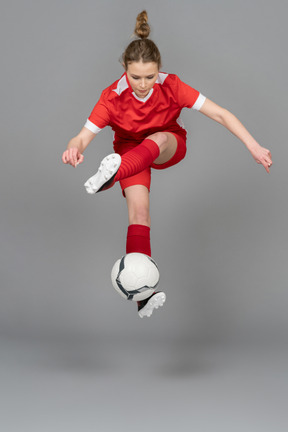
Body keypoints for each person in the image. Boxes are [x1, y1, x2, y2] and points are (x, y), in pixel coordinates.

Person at [62, 11, 272, 318]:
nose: (144, 84)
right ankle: (142, 297)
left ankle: (113, 174)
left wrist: (252, 145)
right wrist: (73, 151)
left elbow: (220, 113)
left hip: (167, 144)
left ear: (158, 70)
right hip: (130, 151)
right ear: (125, 69)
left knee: (159, 137)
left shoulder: (171, 86)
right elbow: (80, 138)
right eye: (136, 77)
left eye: (150, 76)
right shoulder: (111, 97)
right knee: (140, 213)